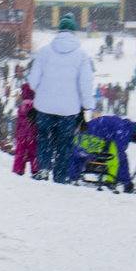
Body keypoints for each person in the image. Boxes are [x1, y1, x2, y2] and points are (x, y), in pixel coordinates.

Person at [26, 13, 95, 183]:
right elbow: (86, 83)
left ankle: (43, 168)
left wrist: (44, 90)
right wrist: (87, 105)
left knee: (44, 137)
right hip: (68, 110)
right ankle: (60, 176)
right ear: (73, 33)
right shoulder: (81, 55)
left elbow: (33, 82)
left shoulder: (44, 52)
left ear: (58, 32)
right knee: (65, 143)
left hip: (44, 107)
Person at [12, 83, 40, 177]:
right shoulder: (35, 105)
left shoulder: (21, 105)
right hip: (32, 134)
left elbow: (19, 121)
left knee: (20, 154)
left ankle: (18, 170)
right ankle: (35, 171)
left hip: (21, 135)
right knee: (34, 154)